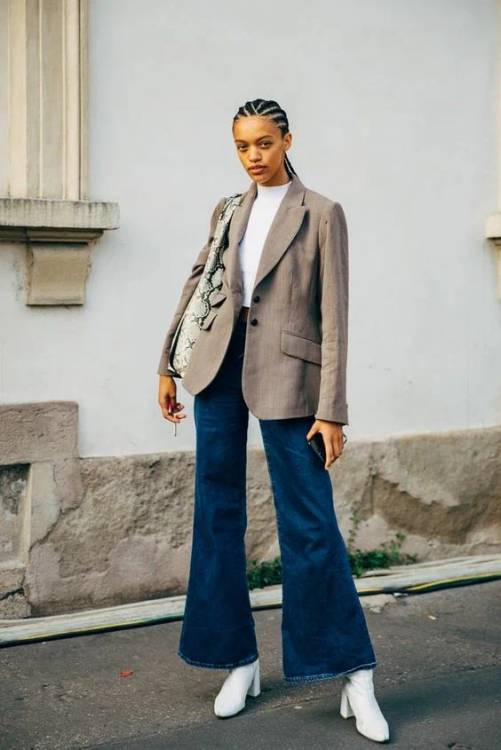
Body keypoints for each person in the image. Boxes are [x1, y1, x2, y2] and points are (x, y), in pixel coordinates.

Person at [157, 98, 389, 743]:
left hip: (290, 378)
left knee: (310, 522)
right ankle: (239, 659)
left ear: (288, 140)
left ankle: (354, 672)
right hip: (217, 370)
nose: (253, 156)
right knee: (216, 514)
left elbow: (335, 315)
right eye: (242, 146)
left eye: (263, 143)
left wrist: (332, 409)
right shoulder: (228, 209)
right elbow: (198, 285)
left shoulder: (321, 213)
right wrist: (168, 363)